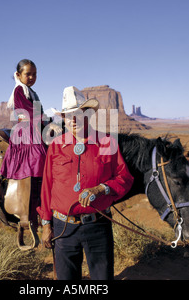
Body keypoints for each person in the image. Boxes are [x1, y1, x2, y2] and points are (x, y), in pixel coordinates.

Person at [37, 86, 134, 280]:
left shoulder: (106, 143)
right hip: (63, 228)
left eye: (77, 114)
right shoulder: (56, 146)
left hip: (98, 226)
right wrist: (46, 224)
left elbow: (124, 178)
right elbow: (47, 187)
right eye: (67, 115)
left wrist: (101, 188)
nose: (72, 120)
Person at [0, 59, 48, 226]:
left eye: (34, 74)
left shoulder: (31, 91)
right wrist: (45, 119)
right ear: (19, 75)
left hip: (34, 127)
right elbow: (28, 112)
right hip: (26, 131)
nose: (32, 77)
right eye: (28, 74)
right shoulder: (19, 90)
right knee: (39, 155)